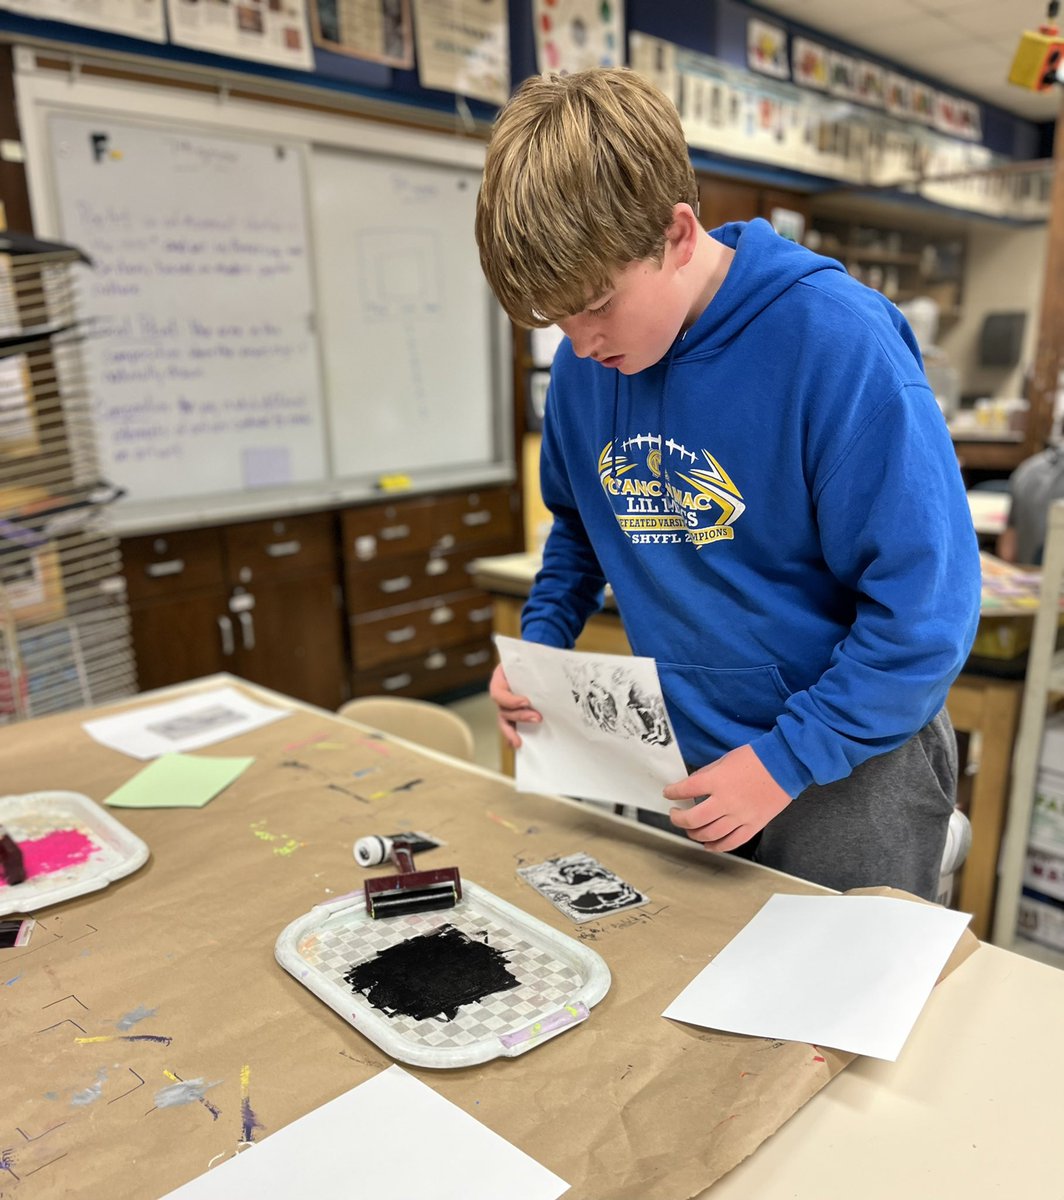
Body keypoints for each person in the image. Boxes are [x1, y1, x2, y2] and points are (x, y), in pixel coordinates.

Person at [474, 68, 982, 900]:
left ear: (678, 234)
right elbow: (581, 525)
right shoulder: (581, 365)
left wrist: (786, 760)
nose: (580, 339)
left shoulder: (835, 345)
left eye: (597, 303)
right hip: (682, 753)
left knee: (832, 1023)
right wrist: (539, 655)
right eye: (554, 319)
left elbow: (926, 615)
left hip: (845, 764)